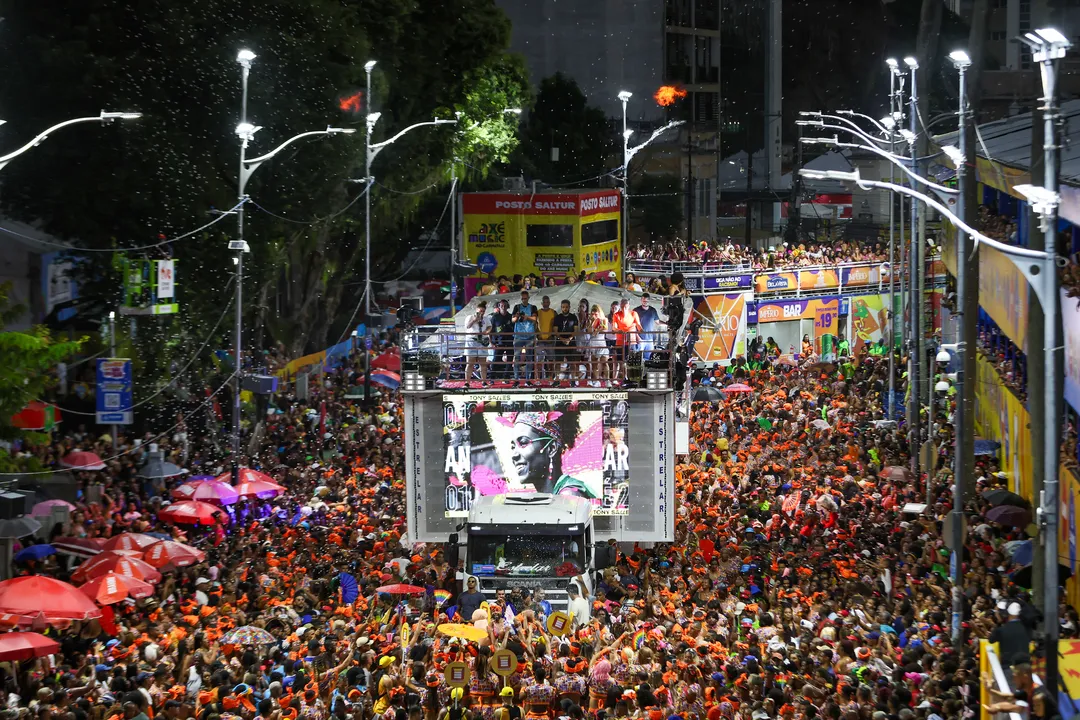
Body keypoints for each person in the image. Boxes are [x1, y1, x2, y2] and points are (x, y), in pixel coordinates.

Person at [502, 412, 596, 498]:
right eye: (513, 447)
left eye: (523, 443)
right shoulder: (547, 496)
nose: (514, 455)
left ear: (551, 448)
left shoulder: (569, 495)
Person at [511, 291, 538, 383]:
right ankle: (516, 379)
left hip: (529, 336)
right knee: (517, 358)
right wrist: (518, 316)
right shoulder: (517, 307)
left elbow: (535, 319)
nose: (524, 300)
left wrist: (527, 317)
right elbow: (513, 320)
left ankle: (528, 379)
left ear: (528, 298)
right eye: (522, 298)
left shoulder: (533, 307)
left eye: (525, 298)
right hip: (518, 336)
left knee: (529, 358)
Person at [465, 301, 492, 387]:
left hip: (482, 341)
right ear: (476, 310)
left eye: (483, 311)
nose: (481, 313)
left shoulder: (486, 319)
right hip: (472, 341)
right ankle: (467, 383)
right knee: (470, 363)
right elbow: (467, 326)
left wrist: (486, 331)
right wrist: (474, 320)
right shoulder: (470, 317)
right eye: (480, 311)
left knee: (483, 363)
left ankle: (484, 382)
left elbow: (489, 326)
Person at [553, 300, 579, 383]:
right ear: (561, 308)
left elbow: (576, 330)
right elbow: (555, 331)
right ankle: (557, 379)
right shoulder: (557, 318)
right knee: (558, 362)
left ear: (569, 307)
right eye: (563, 307)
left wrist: (569, 339)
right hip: (560, 342)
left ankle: (573, 380)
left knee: (572, 362)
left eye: (566, 307)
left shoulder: (573, 317)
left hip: (571, 342)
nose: (565, 309)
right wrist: (562, 339)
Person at [632, 294, 663, 360]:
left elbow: (657, 321)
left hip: (650, 339)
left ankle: (646, 370)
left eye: (646, 301)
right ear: (641, 300)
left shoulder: (653, 310)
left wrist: (666, 323)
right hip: (640, 338)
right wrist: (637, 337)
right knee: (638, 358)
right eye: (643, 301)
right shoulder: (636, 311)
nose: (645, 302)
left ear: (649, 301)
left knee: (648, 358)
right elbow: (633, 325)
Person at [489, 299, 514, 380]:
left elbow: (514, 328)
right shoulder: (495, 317)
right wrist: (491, 342)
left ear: (508, 306)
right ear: (499, 307)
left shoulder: (511, 316)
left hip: (510, 341)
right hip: (498, 342)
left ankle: (506, 377)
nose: (503, 307)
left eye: (505, 305)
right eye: (501, 305)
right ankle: (492, 377)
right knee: (496, 360)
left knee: (510, 360)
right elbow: (491, 330)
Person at [535, 295, 556, 381]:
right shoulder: (537, 312)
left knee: (551, 361)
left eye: (547, 302)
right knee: (539, 361)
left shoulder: (553, 312)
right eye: (544, 302)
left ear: (549, 303)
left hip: (550, 340)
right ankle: (538, 379)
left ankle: (551, 378)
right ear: (541, 303)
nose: (546, 304)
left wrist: (552, 335)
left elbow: (555, 325)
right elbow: (535, 325)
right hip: (540, 340)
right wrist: (538, 335)